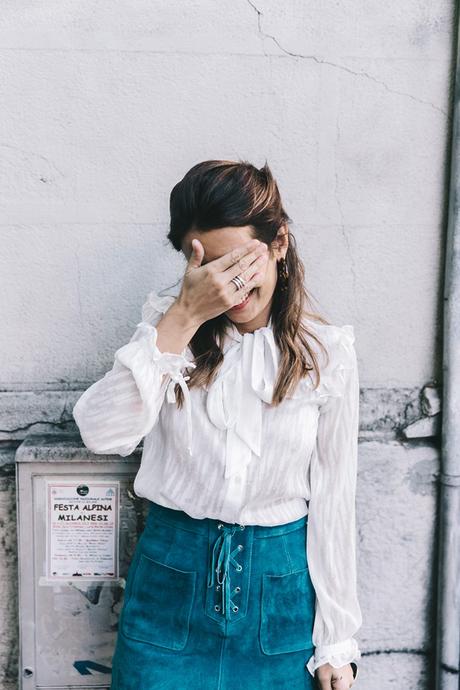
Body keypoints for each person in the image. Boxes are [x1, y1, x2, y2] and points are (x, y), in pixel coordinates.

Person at [73, 160, 362, 690]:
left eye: (239, 262)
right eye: (205, 265)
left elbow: (334, 501)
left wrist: (336, 642)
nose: (228, 287)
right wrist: (182, 317)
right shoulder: (168, 329)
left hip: (280, 598)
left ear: (279, 244)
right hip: (169, 587)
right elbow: (102, 431)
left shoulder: (328, 353)